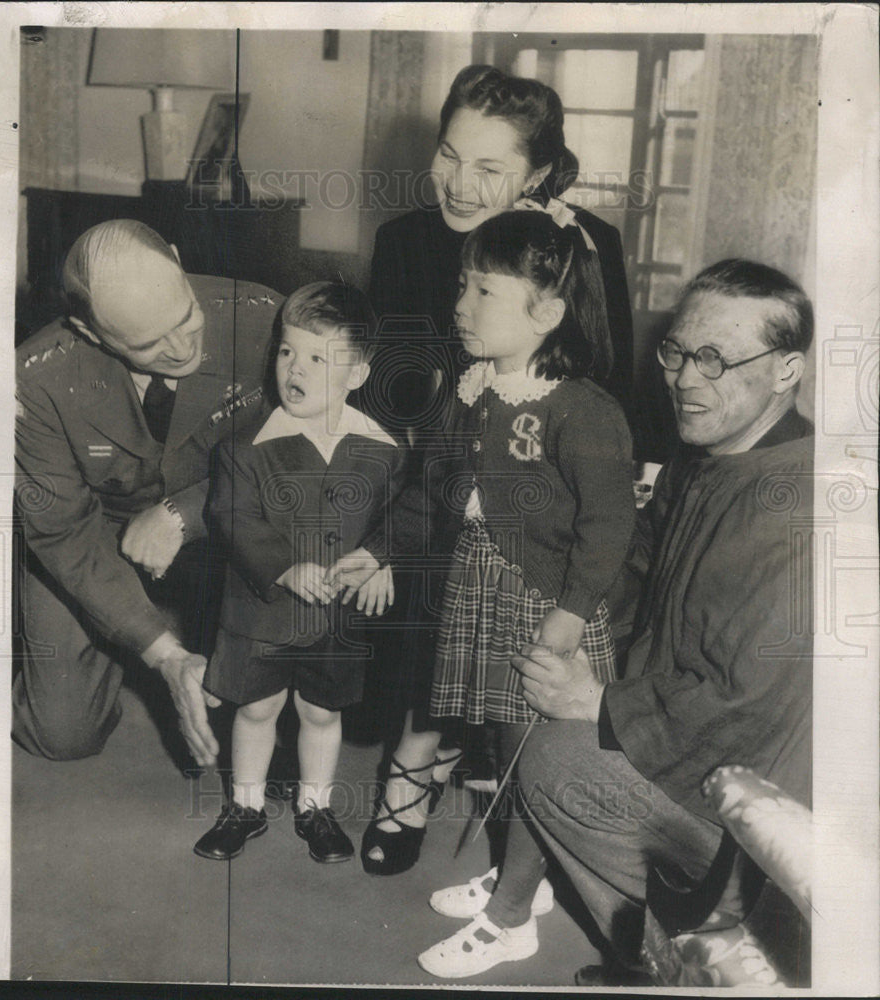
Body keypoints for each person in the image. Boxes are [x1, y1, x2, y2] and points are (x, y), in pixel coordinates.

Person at [352, 63, 636, 876]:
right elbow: (388, 394)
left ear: (539, 174)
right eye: (448, 156)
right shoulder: (403, 242)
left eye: (489, 168)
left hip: (546, 475)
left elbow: (606, 384)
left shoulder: (587, 244)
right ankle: (425, 751)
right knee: (438, 577)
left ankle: (490, 770)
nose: (459, 184)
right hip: (442, 464)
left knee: (532, 629)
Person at [504, 259, 814, 984]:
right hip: (682, 721)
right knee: (527, 657)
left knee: (556, 762)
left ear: (786, 370)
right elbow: (639, 559)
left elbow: (740, 708)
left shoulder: (795, 509)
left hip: (754, 804)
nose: (682, 378)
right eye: (675, 351)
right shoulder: (708, 453)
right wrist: (561, 605)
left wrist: (596, 703)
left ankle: (678, 961)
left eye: (714, 358)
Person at [13, 220, 281, 765]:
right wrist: (166, 656)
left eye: (185, 317)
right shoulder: (37, 379)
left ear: (178, 260)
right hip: (99, 533)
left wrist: (183, 513)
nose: (183, 347)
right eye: (148, 343)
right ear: (90, 333)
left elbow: (306, 453)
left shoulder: (266, 320)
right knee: (62, 734)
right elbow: (63, 531)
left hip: (229, 514)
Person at [192, 282, 405, 865]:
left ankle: (315, 806)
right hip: (262, 612)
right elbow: (230, 516)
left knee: (320, 712)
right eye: (288, 352)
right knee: (257, 709)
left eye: (318, 357)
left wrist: (384, 559)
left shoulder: (382, 449)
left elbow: (401, 515)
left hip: (334, 618)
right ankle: (245, 804)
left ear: (356, 374)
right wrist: (283, 567)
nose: (297, 368)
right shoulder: (245, 447)